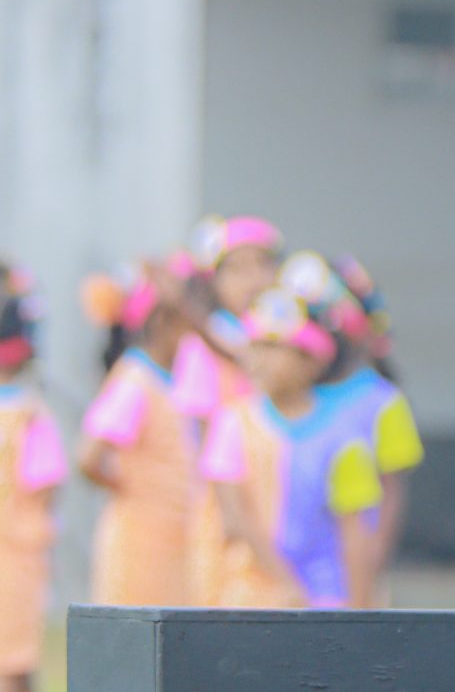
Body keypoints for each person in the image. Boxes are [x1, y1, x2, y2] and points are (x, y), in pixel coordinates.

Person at [198, 289, 381, 609]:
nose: (259, 359)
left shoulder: (343, 438)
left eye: (273, 348)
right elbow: (235, 518)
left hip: (326, 598)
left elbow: (354, 529)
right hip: (250, 595)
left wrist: (360, 609)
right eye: (255, 347)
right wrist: (288, 588)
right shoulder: (233, 424)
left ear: (311, 360)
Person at [282, 252, 424, 593]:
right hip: (284, 575)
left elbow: (391, 489)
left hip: (349, 574)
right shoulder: (290, 395)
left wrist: (373, 559)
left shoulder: (382, 401)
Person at [173, 215, 283, 604]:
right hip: (225, 500)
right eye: (237, 269)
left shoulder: (287, 341)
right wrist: (226, 510)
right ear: (214, 281)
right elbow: (201, 437)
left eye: (263, 265)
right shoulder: (203, 348)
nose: (253, 279)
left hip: (282, 490)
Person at [78, 265, 197, 606]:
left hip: (175, 536)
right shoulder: (136, 380)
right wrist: (133, 487)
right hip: (140, 538)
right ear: (162, 322)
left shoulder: (176, 379)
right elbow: (88, 457)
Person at [0, 268, 67, 692]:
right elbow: (48, 484)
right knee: (14, 665)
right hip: (18, 553)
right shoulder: (27, 413)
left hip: (15, 555)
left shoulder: (22, 412)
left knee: (11, 663)